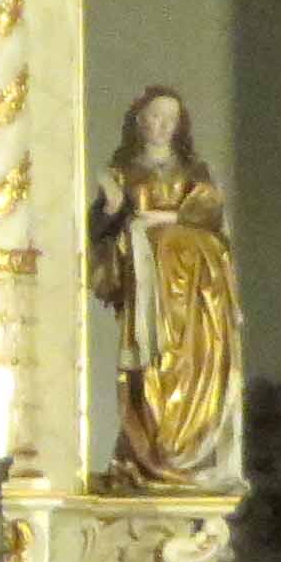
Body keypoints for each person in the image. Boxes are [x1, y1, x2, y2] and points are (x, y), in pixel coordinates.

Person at [89, 83, 243, 490]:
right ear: (139, 121)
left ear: (179, 126)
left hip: (194, 292)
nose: (161, 126)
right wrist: (112, 209)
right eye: (154, 117)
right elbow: (103, 231)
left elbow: (212, 216)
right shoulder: (121, 174)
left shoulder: (195, 173)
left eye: (169, 119)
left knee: (192, 365)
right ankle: (150, 455)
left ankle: (188, 454)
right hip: (148, 291)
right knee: (152, 367)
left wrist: (165, 220)